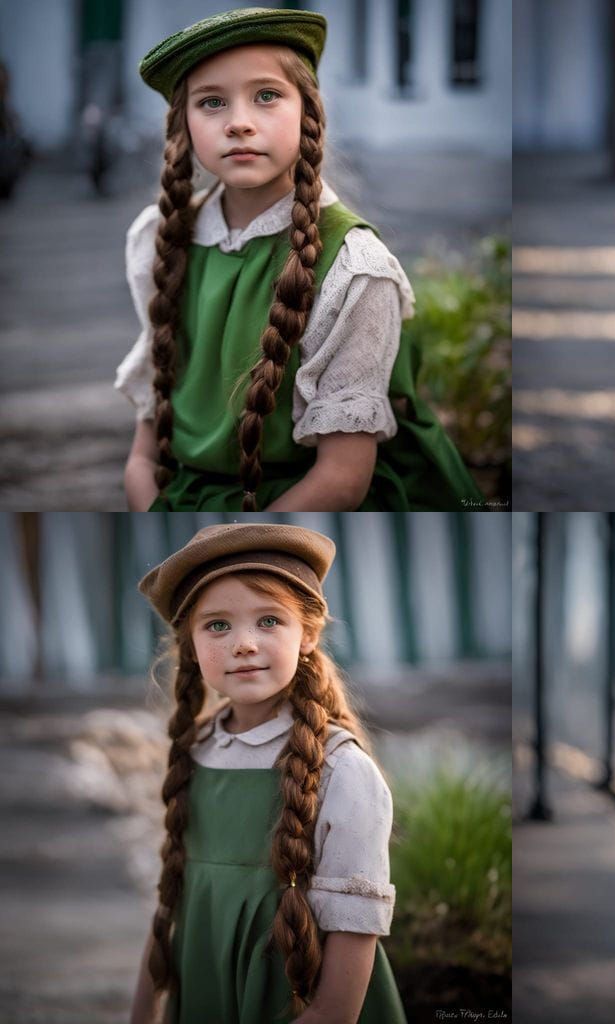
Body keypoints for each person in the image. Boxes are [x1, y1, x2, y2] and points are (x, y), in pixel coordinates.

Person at [115, 8, 482, 511]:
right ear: (183, 124)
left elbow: (342, 477)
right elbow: (141, 458)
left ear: (307, 111)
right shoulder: (158, 240)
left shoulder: (354, 268)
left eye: (266, 96)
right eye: (212, 102)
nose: (239, 123)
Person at [129, 522, 407, 1024]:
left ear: (309, 634)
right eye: (217, 625)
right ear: (189, 644)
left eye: (269, 621)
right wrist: (144, 1010)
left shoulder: (343, 771)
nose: (243, 644)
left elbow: (341, 989)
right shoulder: (193, 754)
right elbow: (173, 899)